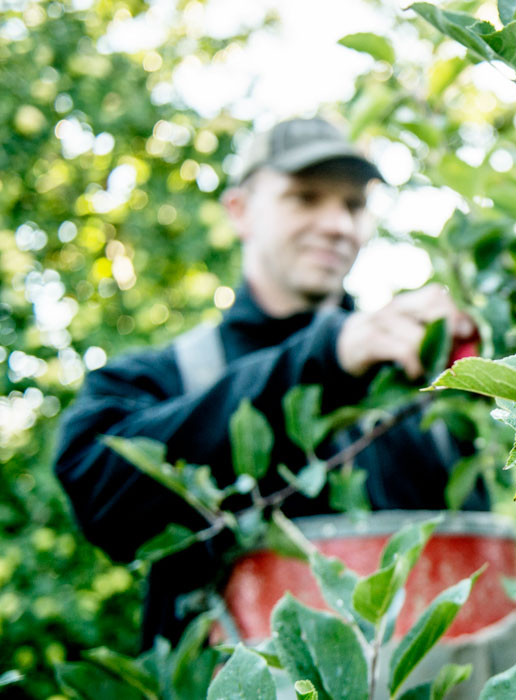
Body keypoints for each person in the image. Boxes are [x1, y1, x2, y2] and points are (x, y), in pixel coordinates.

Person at [53, 117, 487, 646]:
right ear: (240, 211)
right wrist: (326, 357)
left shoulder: (421, 396)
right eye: (305, 198)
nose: (337, 224)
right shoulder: (165, 378)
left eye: (353, 205)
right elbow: (99, 493)